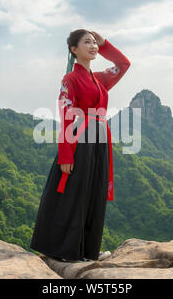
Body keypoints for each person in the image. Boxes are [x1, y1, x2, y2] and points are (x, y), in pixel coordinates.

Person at [30, 29, 131, 262]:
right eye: (88, 42)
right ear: (74, 50)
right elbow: (66, 116)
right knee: (76, 193)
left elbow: (123, 64)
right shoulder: (70, 79)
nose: (94, 46)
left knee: (94, 193)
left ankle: (88, 251)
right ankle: (64, 250)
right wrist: (66, 155)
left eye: (95, 42)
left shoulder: (101, 79)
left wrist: (105, 43)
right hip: (80, 139)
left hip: (100, 140)